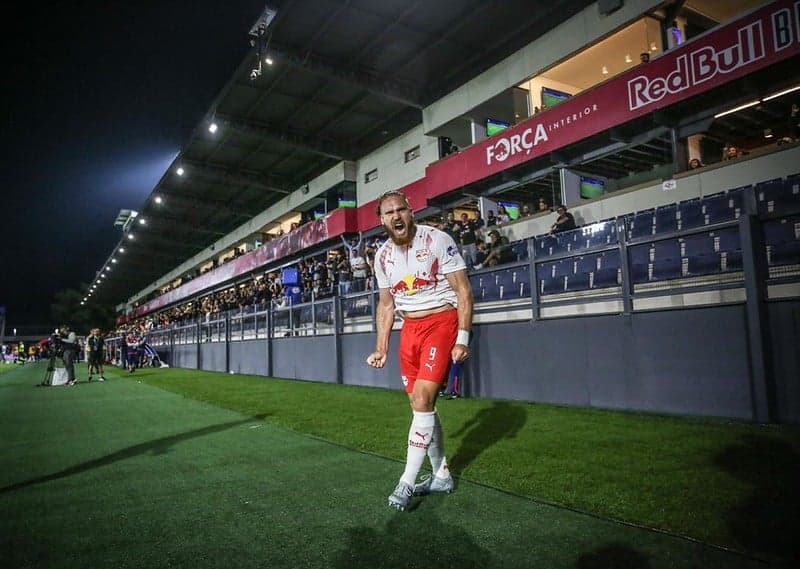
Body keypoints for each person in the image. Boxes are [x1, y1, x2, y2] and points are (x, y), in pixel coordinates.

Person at [366, 190, 473, 512]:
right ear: (382, 220)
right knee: (419, 405)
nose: (396, 216)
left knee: (424, 399)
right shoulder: (381, 256)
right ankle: (441, 475)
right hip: (409, 330)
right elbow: (386, 305)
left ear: (411, 212)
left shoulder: (438, 240)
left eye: (401, 210)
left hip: (441, 322)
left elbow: (463, 291)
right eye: (389, 213)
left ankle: (406, 482)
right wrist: (381, 347)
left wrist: (462, 339)